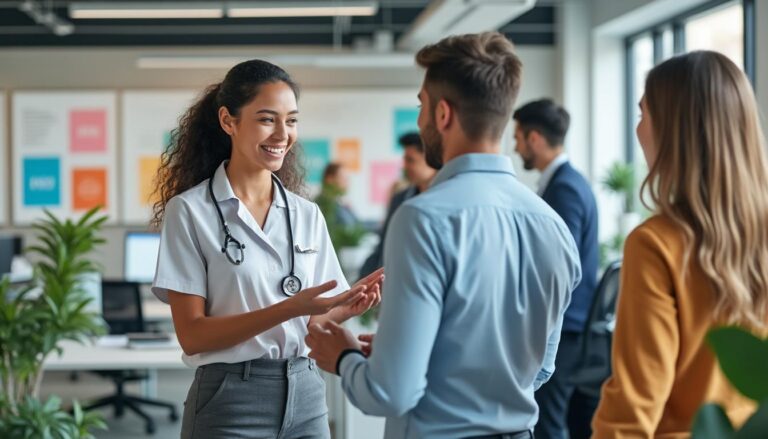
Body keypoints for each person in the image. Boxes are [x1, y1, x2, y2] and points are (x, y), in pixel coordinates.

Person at [305, 32, 582, 439]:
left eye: (422, 105)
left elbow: (390, 394)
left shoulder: (423, 218)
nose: (419, 120)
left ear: (443, 114)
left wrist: (343, 357)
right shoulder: (552, 225)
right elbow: (537, 367)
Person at [149, 59, 383, 438]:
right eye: (266, 119)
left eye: (291, 120)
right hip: (229, 399)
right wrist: (290, 307)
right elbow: (193, 335)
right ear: (229, 121)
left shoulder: (306, 214)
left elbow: (310, 325)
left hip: (306, 392)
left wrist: (345, 308)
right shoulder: (191, 211)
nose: (282, 134)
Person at [592, 51, 768, 436]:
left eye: (643, 115)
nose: (638, 131)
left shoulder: (657, 244)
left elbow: (634, 407)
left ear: (675, 130)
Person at [513, 99, 599, 439]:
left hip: (565, 331)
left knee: (547, 426)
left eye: (518, 137)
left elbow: (558, 267)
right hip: (573, 327)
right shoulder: (567, 181)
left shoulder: (563, 189)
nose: (515, 146)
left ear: (534, 138)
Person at [358, 132, 438, 278]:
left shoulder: (444, 201)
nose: (405, 166)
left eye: (411, 160)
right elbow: (384, 245)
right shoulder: (400, 199)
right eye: (405, 160)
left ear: (429, 159)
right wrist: (362, 280)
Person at [315, 163, 366, 251]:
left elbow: (358, 224)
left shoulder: (340, 203)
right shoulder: (324, 205)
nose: (347, 182)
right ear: (329, 179)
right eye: (343, 178)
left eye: (347, 178)